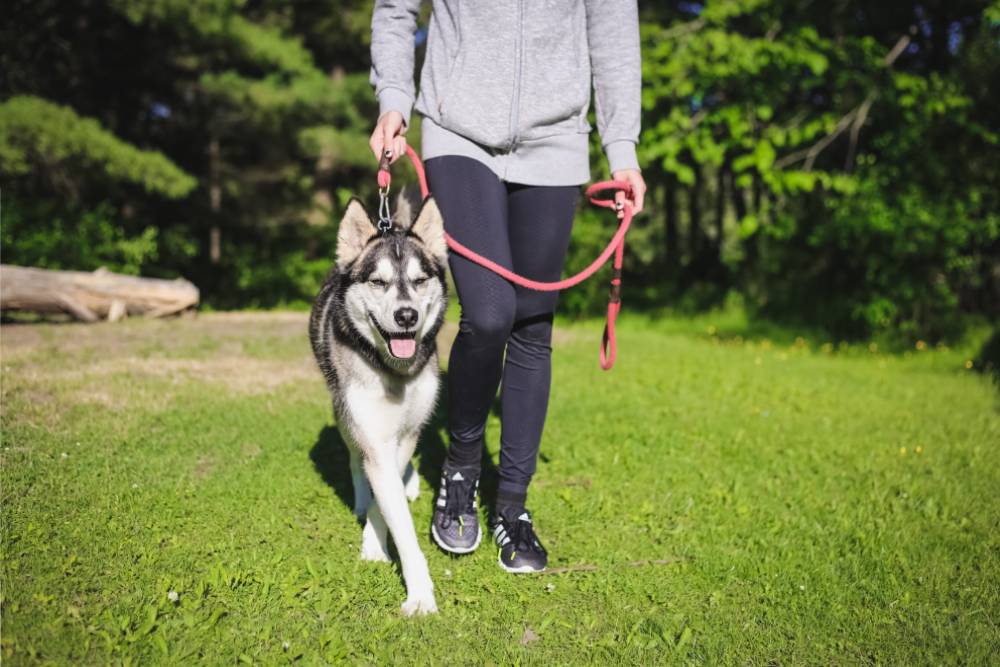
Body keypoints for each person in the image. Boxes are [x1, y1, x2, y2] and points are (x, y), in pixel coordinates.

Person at [369, 0, 645, 573]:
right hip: (458, 126)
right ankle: (462, 467)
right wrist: (395, 97)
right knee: (490, 312)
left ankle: (513, 508)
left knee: (532, 323)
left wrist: (622, 151)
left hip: (556, 140)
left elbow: (614, 30)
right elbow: (396, 8)